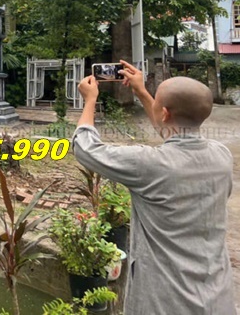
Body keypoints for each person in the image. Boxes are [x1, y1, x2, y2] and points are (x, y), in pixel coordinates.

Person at [73, 60, 236, 314]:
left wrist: (90, 100)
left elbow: (85, 148)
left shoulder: (149, 165)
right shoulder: (222, 156)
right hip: (217, 297)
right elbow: (173, 131)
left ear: (165, 113)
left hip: (166, 300)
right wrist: (141, 91)